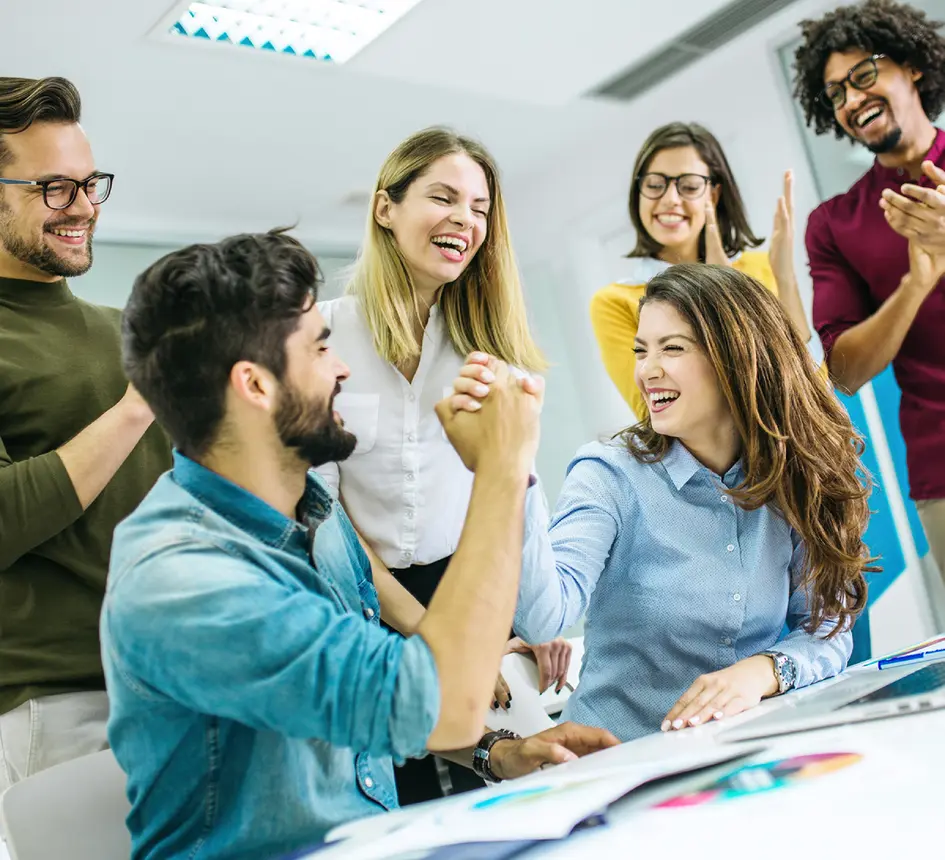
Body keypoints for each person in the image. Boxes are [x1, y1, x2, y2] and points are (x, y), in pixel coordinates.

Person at [102, 230, 618, 859]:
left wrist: (495, 752)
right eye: (321, 348)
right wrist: (501, 469)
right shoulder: (185, 576)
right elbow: (442, 702)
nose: (342, 367)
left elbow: (377, 696)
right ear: (255, 386)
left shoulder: (318, 519)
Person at [451, 264, 874, 742]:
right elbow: (544, 617)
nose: (647, 371)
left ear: (738, 357)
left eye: (672, 348)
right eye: (641, 351)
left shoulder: (789, 477)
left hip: (746, 753)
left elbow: (826, 631)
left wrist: (762, 672)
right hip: (617, 761)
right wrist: (511, 468)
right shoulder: (608, 473)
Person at [316, 127, 571, 802]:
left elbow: (512, 503)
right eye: (443, 196)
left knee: (497, 801)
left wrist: (527, 625)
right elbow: (322, 520)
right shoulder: (317, 337)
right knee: (391, 807)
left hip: (465, 591)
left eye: (480, 207)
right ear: (384, 208)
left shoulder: (488, 356)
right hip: (356, 604)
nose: (465, 218)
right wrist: (438, 637)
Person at [0, 76, 171, 794]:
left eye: (89, 183)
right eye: (54, 188)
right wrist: (139, 404)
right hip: (59, 703)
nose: (85, 208)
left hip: (181, 686)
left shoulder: (127, 332)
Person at [792, 0, 945, 591]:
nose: (852, 100)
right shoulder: (834, 224)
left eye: (862, 75)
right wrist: (916, 284)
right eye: (836, 94)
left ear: (912, 68)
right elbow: (844, 370)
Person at [590, 122, 820, 421]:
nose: (670, 199)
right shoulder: (616, 302)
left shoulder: (760, 268)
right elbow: (658, 417)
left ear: (713, 195)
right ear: (639, 192)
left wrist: (785, 278)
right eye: (655, 184)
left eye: (688, 186)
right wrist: (721, 298)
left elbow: (815, 387)